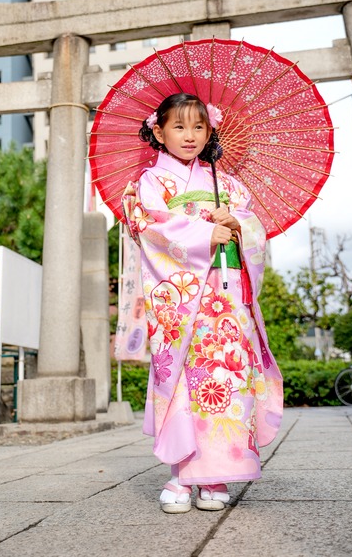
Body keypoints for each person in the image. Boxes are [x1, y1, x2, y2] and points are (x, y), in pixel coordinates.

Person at [121, 92, 284, 514]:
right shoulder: (151, 182)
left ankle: (214, 475)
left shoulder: (225, 183)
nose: (190, 135)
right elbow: (151, 230)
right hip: (180, 299)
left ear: (210, 131)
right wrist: (199, 234)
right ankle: (179, 475)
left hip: (226, 299)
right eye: (179, 126)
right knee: (180, 380)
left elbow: (252, 227)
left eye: (199, 127)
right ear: (158, 131)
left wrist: (237, 223)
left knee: (226, 381)